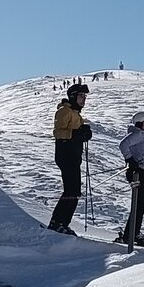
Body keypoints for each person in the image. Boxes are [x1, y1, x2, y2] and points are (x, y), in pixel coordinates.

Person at [47, 82, 93, 233]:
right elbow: (58, 132)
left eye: (85, 96)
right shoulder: (64, 111)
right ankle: (56, 222)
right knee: (70, 190)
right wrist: (76, 134)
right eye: (81, 96)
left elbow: (75, 134)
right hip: (65, 154)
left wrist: (83, 134)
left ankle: (63, 223)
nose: (84, 99)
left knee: (75, 192)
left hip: (74, 155)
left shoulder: (75, 113)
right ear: (73, 97)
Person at [116, 110, 144, 248]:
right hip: (139, 172)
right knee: (139, 205)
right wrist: (129, 159)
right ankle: (131, 235)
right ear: (139, 123)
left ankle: (133, 233)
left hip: (142, 171)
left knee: (140, 205)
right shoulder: (137, 134)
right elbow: (123, 145)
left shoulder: (139, 135)